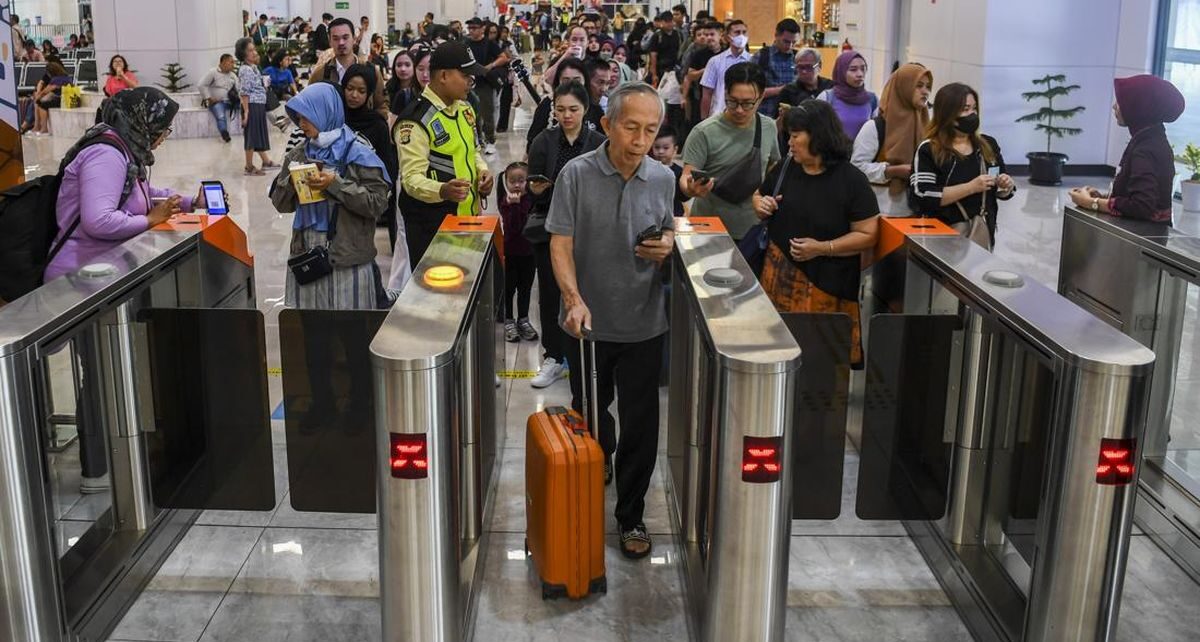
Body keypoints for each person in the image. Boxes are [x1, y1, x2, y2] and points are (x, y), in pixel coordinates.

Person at [44, 88, 199, 494]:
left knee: (115, 369)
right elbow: (99, 220)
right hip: (84, 282)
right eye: (161, 128)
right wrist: (150, 221)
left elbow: (142, 195)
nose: (163, 136)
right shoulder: (105, 154)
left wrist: (186, 200)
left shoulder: (122, 149)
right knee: (99, 375)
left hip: (108, 276)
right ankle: (96, 470)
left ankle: (123, 454)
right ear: (141, 120)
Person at [546, 82, 676, 560]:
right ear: (607, 125)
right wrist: (573, 299)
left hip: (644, 322)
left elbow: (668, 233)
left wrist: (666, 247)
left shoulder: (663, 178)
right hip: (588, 325)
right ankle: (598, 463)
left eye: (651, 129)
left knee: (643, 425)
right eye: (631, 127)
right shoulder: (576, 176)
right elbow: (560, 243)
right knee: (592, 413)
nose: (640, 140)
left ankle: (631, 516)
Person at [754, 100, 880, 365]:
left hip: (829, 291)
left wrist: (823, 248)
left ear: (818, 136)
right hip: (777, 283)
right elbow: (759, 196)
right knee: (779, 359)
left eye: (796, 136)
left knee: (823, 367)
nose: (789, 142)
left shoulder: (851, 181)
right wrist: (761, 204)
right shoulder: (787, 168)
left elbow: (868, 234)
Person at [271, 82, 391, 309]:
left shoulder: (358, 152)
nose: (301, 123)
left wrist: (335, 184)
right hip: (307, 254)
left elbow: (377, 203)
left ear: (325, 111)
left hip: (347, 257)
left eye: (306, 116)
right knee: (313, 331)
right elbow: (280, 204)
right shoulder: (299, 153)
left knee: (348, 331)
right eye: (298, 117)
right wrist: (293, 185)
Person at [526, 82, 606, 389]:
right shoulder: (544, 142)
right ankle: (554, 357)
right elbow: (533, 186)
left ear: (585, 109)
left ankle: (583, 350)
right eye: (560, 109)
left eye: (573, 109)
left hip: (589, 231)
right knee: (550, 293)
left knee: (585, 290)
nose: (566, 115)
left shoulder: (599, 142)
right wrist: (536, 189)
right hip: (550, 227)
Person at [395, 41, 495, 266]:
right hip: (433, 228)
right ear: (443, 76)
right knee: (439, 296)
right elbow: (411, 180)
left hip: (467, 221)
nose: (471, 82)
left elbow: (473, 150)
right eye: (466, 75)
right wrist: (442, 190)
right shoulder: (415, 121)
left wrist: (483, 171)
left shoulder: (464, 108)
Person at [682, 62, 781, 240]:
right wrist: (690, 189)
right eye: (733, 101)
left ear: (761, 96)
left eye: (748, 103)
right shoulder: (704, 132)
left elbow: (773, 166)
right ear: (725, 92)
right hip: (708, 228)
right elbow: (686, 175)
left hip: (752, 229)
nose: (740, 110)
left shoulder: (768, 127)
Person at [909, 83, 1014, 249]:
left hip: (982, 233)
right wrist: (970, 187)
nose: (972, 114)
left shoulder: (988, 144)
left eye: (974, 108)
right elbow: (922, 195)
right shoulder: (930, 149)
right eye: (965, 109)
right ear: (947, 114)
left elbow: (1003, 188)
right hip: (941, 237)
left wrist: (1005, 186)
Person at [1068, 75, 1186, 223]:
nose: (1114, 106)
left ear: (1138, 107)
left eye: (1121, 101)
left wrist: (1092, 203)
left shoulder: (1146, 148)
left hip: (1140, 241)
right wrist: (1103, 197)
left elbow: (1142, 206)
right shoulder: (1150, 138)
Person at [851, 63, 931, 194]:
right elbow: (856, 168)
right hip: (879, 208)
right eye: (919, 85)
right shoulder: (876, 127)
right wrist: (893, 171)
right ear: (903, 88)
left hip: (917, 209)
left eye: (928, 87)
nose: (925, 91)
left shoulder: (928, 127)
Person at [309, 18, 388, 117]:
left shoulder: (372, 71)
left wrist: (375, 128)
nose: (341, 42)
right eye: (336, 38)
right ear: (330, 41)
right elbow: (311, 107)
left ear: (354, 39)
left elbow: (382, 105)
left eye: (345, 37)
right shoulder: (320, 75)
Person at [499, 162, 539, 343]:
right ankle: (509, 320)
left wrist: (520, 205)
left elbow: (528, 226)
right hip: (510, 253)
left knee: (525, 288)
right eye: (512, 181)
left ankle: (523, 319)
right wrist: (512, 206)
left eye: (521, 181)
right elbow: (513, 227)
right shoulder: (505, 203)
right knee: (508, 289)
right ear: (506, 182)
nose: (516, 185)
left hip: (529, 254)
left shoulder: (532, 202)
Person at [525, 58, 602, 146]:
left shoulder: (595, 108)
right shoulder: (547, 106)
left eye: (577, 80)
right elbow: (532, 142)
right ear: (558, 82)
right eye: (566, 80)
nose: (572, 85)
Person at [465, 17, 509, 156]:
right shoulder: (466, 44)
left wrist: (489, 66)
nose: (471, 31)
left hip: (484, 83)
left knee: (486, 112)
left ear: (482, 29)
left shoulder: (489, 44)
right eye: (470, 28)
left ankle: (490, 140)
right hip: (468, 83)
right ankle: (476, 140)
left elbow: (503, 57)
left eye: (474, 28)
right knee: (470, 113)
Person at [235, 37, 276, 176]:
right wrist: (246, 112)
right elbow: (244, 92)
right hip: (251, 105)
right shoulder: (245, 70)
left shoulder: (253, 68)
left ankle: (265, 161)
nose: (254, 52)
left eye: (254, 49)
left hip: (258, 104)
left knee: (257, 134)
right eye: (250, 50)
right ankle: (249, 166)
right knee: (252, 136)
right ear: (243, 53)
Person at [819, 50, 877, 139]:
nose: (860, 74)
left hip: (863, 152)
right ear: (841, 71)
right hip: (833, 151)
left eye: (863, 69)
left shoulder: (872, 99)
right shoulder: (827, 97)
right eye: (853, 70)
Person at [700, 19, 751, 118]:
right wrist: (703, 120)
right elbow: (707, 94)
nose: (741, 36)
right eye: (737, 32)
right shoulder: (715, 61)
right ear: (728, 37)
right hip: (719, 116)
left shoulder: (752, 60)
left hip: (744, 116)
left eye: (744, 32)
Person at [680, 21, 721, 139]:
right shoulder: (698, 54)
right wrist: (706, 70)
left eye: (711, 35)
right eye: (705, 35)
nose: (708, 38)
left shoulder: (726, 53)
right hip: (701, 95)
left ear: (720, 35)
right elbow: (690, 75)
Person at [757, 19, 800, 118]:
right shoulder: (762, 56)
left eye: (794, 42)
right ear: (776, 35)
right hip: (766, 115)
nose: (790, 46)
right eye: (786, 41)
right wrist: (781, 90)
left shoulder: (798, 58)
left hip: (791, 117)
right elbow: (751, 91)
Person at [199, 54, 238, 142]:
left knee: (247, 107)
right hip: (217, 102)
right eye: (231, 62)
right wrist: (209, 98)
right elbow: (201, 85)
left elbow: (239, 88)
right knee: (220, 116)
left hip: (231, 102)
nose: (233, 65)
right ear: (223, 62)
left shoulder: (233, 75)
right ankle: (224, 133)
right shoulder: (212, 72)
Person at [651, 125, 688, 215]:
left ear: (675, 149)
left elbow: (683, 196)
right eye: (656, 147)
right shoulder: (647, 169)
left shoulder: (680, 172)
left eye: (665, 148)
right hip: (651, 214)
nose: (660, 151)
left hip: (674, 214)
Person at [31, 59, 72, 135]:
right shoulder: (65, 77)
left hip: (61, 100)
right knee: (39, 102)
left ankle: (43, 128)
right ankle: (37, 127)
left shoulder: (56, 80)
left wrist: (38, 96)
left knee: (41, 105)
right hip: (65, 98)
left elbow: (45, 91)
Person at [647, 11, 683, 87]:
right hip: (660, 70)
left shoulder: (678, 35)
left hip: (675, 70)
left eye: (671, 21)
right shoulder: (657, 36)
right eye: (667, 21)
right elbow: (653, 56)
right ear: (662, 22)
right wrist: (654, 74)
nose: (669, 24)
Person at [386, 49, 422, 117]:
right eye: (399, 65)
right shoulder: (388, 87)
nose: (403, 69)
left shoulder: (420, 90)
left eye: (407, 65)